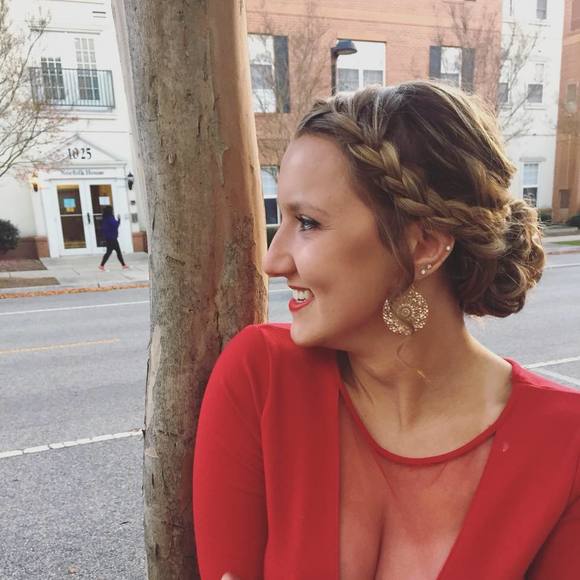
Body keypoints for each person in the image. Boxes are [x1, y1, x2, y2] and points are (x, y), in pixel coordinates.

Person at [193, 81, 580, 579]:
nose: (273, 260)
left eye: (307, 222)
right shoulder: (263, 379)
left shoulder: (565, 445)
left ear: (424, 246)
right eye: (280, 219)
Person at [98, 205, 128, 270]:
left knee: (113, 252)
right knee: (112, 252)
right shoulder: (110, 218)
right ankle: (101, 265)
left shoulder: (105, 218)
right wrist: (119, 219)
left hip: (109, 238)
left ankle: (123, 265)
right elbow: (116, 225)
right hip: (112, 238)